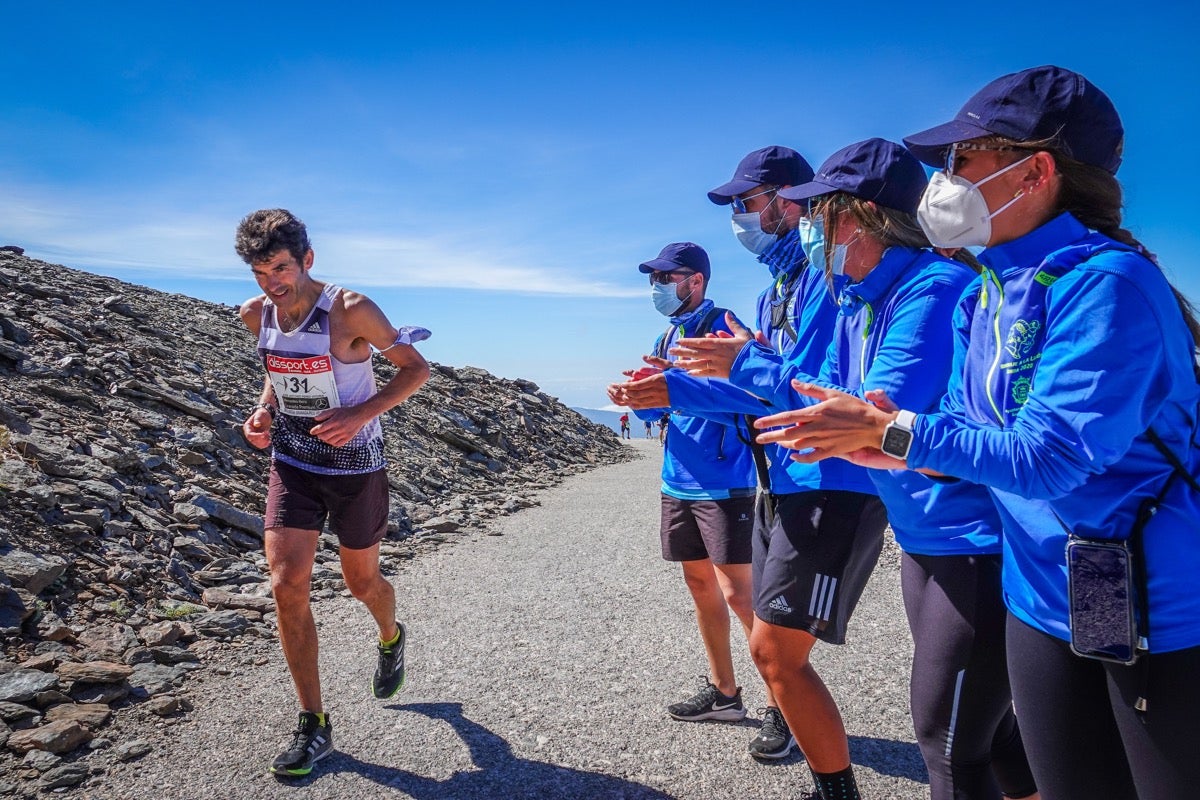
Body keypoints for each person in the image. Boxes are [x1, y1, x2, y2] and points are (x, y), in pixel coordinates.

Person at [755, 66, 1200, 798]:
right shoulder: (990, 288)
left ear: (1037, 171)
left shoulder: (1107, 283)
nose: (944, 178)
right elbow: (964, 429)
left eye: (964, 158)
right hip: (1039, 596)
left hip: (1154, 609)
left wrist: (898, 434)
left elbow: (1052, 457)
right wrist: (896, 452)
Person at [673, 139, 1037, 800]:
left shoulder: (929, 286)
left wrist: (747, 368)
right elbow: (826, 398)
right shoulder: (865, 295)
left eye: (819, 215)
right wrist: (683, 387)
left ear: (860, 216)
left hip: (970, 540)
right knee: (992, 730)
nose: (810, 228)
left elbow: (870, 405)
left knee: (950, 743)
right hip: (927, 535)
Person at [235, 208, 431, 777]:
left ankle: (391, 635)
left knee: (360, 583)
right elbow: (277, 369)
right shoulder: (256, 314)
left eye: (280, 268)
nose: (272, 283)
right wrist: (264, 409)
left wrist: (359, 413)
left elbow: (415, 369)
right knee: (286, 583)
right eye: (260, 272)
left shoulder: (351, 309)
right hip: (293, 462)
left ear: (307, 260)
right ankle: (313, 723)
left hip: (355, 467)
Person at [606, 242, 772, 754]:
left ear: (695, 280)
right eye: (653, 278)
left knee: (741, 595)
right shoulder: (669, 332)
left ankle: (783, 706)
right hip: (678, 479)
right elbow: (670, 407)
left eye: (666, 276)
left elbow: (755, 401)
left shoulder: (724, 326)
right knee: (701, 587)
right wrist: (643, 396)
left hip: (726, 481)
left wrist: (675, 389)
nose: (657, 286)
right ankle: (725, 692)